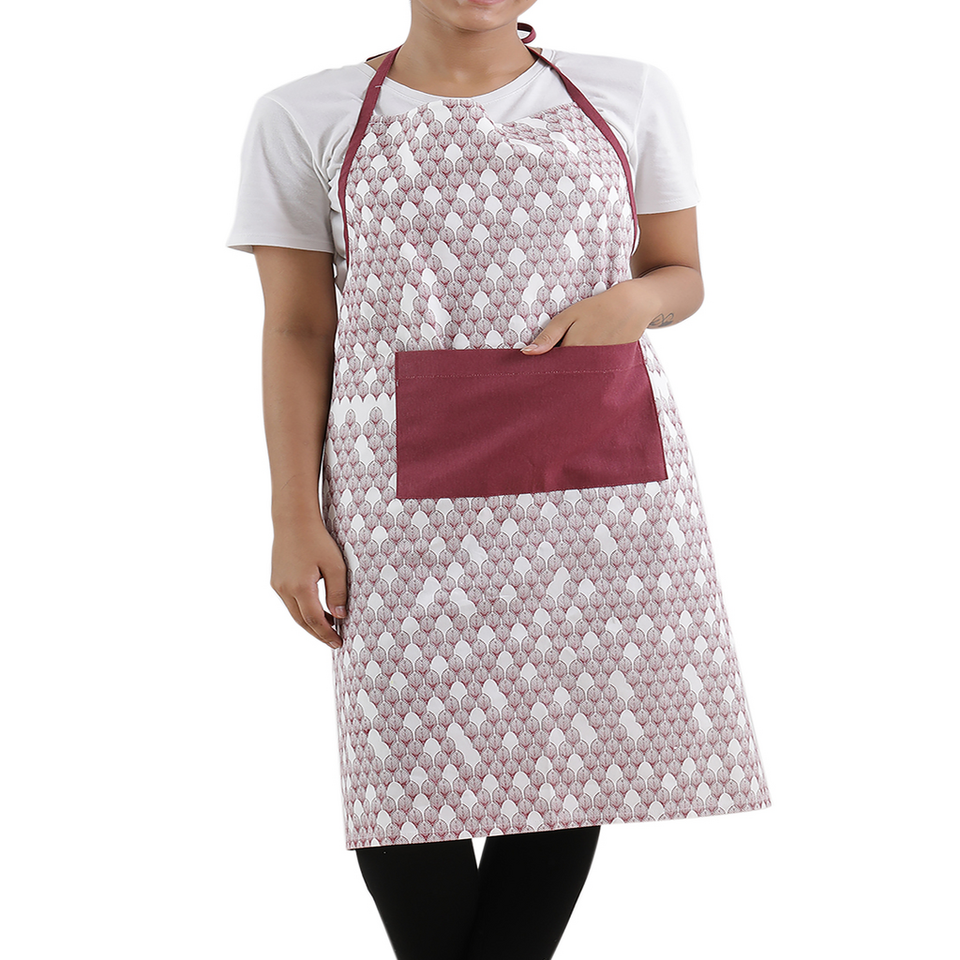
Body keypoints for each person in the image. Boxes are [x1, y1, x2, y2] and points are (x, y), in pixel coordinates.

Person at [225, 2, 772, 957]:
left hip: (593, 482)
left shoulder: (630, 91)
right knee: (402, 771)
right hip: (398, 493)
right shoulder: (302, 113)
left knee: (566, 750)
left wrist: (635, 302)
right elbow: (299, 326)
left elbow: (681, 273)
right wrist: (291, 515)